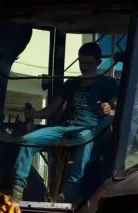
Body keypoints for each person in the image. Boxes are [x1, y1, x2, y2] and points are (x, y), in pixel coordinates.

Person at [10, 41, 119, 203]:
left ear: (98, 63)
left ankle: (70, 195)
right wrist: (34, 114)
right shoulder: (72, 83)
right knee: (28, 140)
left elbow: (118, 112)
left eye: (88, 63)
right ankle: (17, 192)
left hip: (92, 130)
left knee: (84, 140)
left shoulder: (108, 84)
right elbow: (51, 109)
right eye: (81, 62)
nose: (84, 66)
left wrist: (108, 110)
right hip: (66, 128)